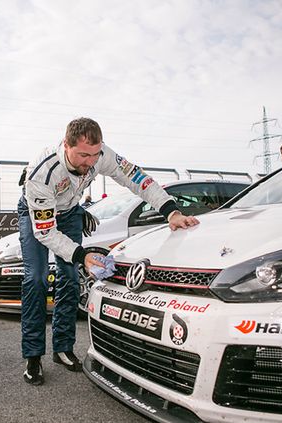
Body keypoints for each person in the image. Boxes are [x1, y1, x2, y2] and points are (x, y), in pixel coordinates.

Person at [18, 117, 199, 385]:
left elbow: (137, 178)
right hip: (38, 216)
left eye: (94, 155)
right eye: (83, 155)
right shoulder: (42, 173)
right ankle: (33, 356)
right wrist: (83, 254)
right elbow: (45, 232)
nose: (90, 162)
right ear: (66, 145)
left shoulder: (102, 154)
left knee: (69, 278)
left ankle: (63, 348)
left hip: (68, 213)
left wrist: (170, 210)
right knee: (36, 278)